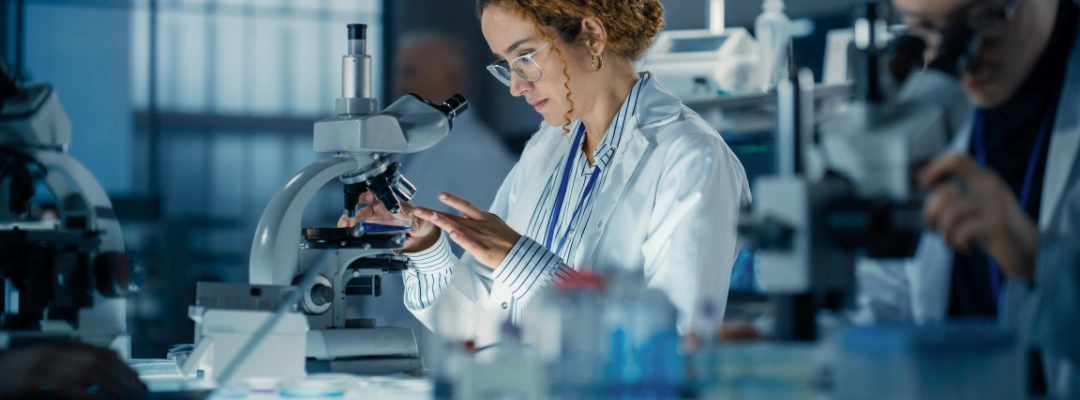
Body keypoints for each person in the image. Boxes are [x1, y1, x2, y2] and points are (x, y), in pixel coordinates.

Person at [341, 0, 751, 347]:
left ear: (592, 36)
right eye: (505, 65)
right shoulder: (548, 146)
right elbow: (480, 323)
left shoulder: (691, 158)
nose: (515, 87)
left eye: (524, 57)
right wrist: (426, 246)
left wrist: (521, 261)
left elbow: (675, 343)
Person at [860, 0, 1080, 395]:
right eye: (922, 28)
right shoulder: (926, 110)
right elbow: (885, 302)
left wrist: (1036, 260)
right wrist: (781, 347)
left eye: (983, 19)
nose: (965, 59)